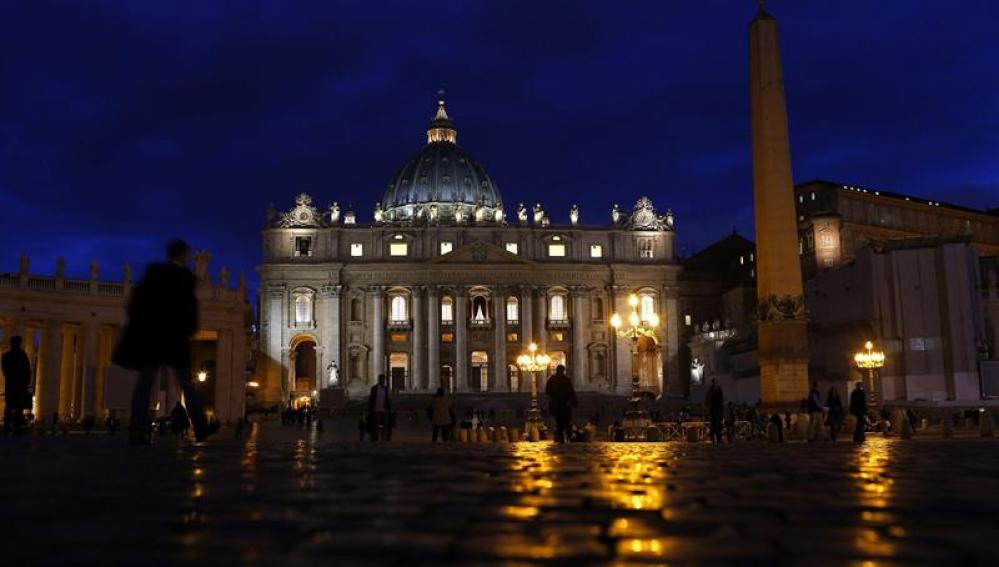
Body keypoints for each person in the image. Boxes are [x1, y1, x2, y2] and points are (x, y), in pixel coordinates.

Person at [112, 239, 218, 445]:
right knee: (188, 385)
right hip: (176, 341)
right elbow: (190, 309)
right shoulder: (186, 278)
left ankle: (136, 429)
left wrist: (140, 325)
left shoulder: (154, 272)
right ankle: (201, 427)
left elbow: (136, 300)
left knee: (145, 383)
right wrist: (189, 331)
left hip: (152, 338)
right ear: (184, 256)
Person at [2, 336, 32, 435]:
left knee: (10, 407)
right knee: (16, 407)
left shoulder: (6, 356)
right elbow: (27, 371)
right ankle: (15, 427)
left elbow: (5, 371)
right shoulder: (23, 356)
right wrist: (26, 382)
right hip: (18, 385)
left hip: (12, 385)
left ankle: (8, 427)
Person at [544, 365, 577, 443]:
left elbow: (547, 391)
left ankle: (561, 437)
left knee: (559, 422)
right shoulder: (566, 380)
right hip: (564, 404)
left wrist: (554, 396)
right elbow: (571, 392)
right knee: (566, 421)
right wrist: (574, 401)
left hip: (557, 404)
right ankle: (566, 437)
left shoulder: (552, 380)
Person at [368, 374, 391, 441]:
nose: (382, 381)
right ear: (379, 380)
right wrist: (370, 409)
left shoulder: (386, 389)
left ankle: (383, 438)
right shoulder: (374, 388)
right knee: (376, 424)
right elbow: (371, 399)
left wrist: (389, 409)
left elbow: (387, 399)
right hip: (376, 409)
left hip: (384, 409)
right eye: (381, 379)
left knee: (384, 425)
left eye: (383, 380)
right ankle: (376, 438)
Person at [705, 379, 724, 443]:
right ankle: (713, 438)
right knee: (713, 425)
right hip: (713, 409)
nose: (716, 383)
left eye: (716, 382)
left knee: (718, 425)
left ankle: (719, 439)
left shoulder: (719, 389)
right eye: (715, 382)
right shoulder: (711, 390)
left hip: (718, 409)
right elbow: (708, 399)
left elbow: (721, 398)